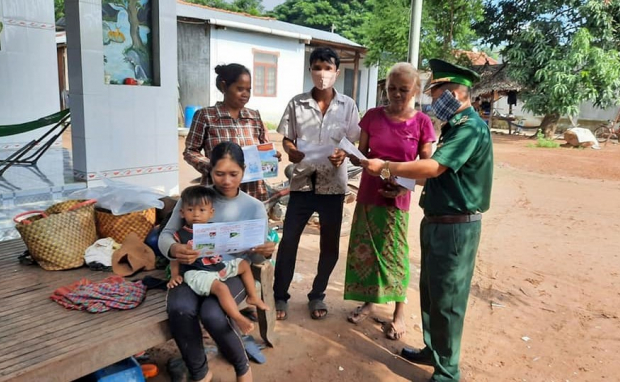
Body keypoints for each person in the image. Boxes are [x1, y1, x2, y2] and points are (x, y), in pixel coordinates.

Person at [360, 59, 494, 382]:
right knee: (432, 293)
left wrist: (388, 167)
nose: (435, 100)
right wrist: (400, 181)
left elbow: (433, 167)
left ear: (458, 94)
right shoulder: (453, 129)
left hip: (457, 227)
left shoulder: (470, 128)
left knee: (448, 299)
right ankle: (433, 351)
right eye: (435, 93)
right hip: (438, 221)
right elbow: (435, 176)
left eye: (439, 93)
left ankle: (447, 372)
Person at [160, 142, 277, 382]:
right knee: (180, 308)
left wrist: (264, 251)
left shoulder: (254, 208)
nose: (226, 181)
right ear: (209, 171)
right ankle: (200, 372)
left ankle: (242, 367)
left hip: (229, 272)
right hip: (192, 270)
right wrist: (175, 248)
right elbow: (165, 235)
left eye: (233, 174)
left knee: (213, 313)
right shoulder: (194, 198)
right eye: (219, 173)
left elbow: (254, 256)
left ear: (244, 171)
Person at [343, 62, 436, 341]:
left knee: (394, 255)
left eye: (403, 90)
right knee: (367, 251)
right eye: (391, 88)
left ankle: (399, 312)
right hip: (369, 193)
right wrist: (348, 156)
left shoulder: (422, 123)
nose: (396, 94)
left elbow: (426, 165)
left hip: (399, 196)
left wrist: (392, 176)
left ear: (416, 91)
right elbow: (361, 154)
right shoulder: (371, 116)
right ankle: (369, 302)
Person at [274, 46, 361, 321]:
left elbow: (353, 139)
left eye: (328, 68)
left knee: (330, 246)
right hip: (301, 183)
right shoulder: (296, 103)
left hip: (333, 186)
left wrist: (343, 153)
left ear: (336, 72)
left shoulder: (348, 105)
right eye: (317, 68)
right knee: (288, 242)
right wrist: (291, 150)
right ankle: (280, 295)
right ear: (310, 70)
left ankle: (317, 295)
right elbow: (287, 137)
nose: (322, 74)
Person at [167, 185, 269, 335]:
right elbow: (174, 258)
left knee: (244, 264)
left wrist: (251, 245)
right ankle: (238, 318)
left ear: (211, 213)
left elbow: (228, 245)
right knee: (221, 289)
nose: (196, 214)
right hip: (197, 273)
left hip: (218, 266)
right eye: (190, 210)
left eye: (201, 210)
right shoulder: (180, 235)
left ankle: (253, 297)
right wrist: (175, 275)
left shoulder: (214, 229)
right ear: (182, 213)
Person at [183, 63, 278, 201]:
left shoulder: (253, 116)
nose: (245, 94)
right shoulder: (206, 116)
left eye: (248, 90)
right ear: (224, 86)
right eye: (240, 89)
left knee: (251, 222)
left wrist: (271, 157)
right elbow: (190, 151)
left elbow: (264, 149)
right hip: (218, 191)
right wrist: (213, 167)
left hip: (253, 192)